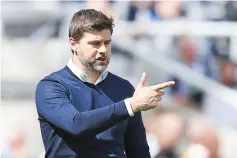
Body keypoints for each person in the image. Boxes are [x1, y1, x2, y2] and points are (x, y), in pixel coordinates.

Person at [35, 9, 175, 158]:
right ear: (73, 43)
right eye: (95, 43)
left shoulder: (123, 88)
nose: (103, 50)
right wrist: (130, 106)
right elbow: (76, 125)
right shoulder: (51, 86)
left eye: (107, 43)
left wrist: (130, 105)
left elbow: (138, 150)